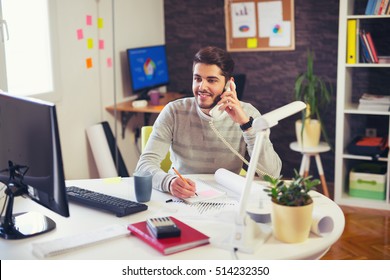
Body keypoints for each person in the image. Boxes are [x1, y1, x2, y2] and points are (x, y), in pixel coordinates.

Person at [135, 46, 281, 199]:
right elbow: (143, 166)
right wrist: (169, 182)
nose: (202, 87)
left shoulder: (248, 114)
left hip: (227, 198)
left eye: (211, 80)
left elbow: (272, 175)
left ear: (229, 84)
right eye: (197, 78)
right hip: (182, 197)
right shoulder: (174, 111)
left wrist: (246, 125)